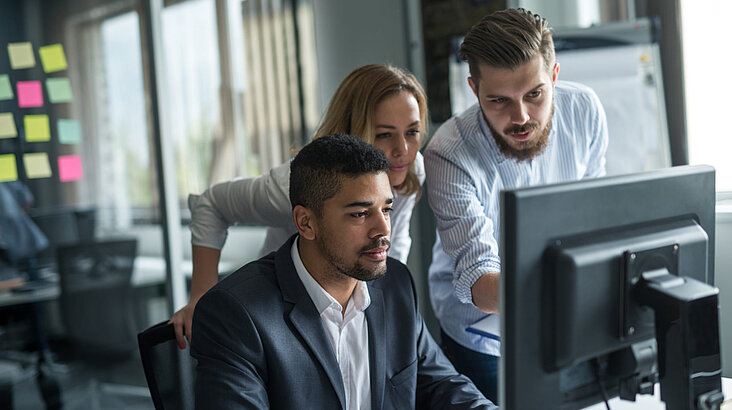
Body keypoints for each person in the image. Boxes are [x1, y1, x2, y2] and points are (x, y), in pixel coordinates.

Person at [191, 134, 495, 409]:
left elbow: (442, 385)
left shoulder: (395, 284)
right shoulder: (236, 314)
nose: (383, 230)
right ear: (306, 222)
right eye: (360, 214)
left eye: (386, 209)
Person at [171, 64, 428, 349]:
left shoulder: (409, 168)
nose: (402, 150)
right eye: (384, 134)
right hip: (279, 312)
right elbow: (212, 204)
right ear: (356, 130)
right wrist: (201, 298)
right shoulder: (295, 184)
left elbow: (394, 248)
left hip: (346, 308)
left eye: (412, 132)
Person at [424, 8, 609, 403]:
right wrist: (581, 283)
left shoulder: (585, 110)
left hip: (568, 317)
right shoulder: (448, 154)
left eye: (535, 94)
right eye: (499, 100)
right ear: (474, 90)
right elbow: (479, 281)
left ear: (554, 75)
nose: (521, 116)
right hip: (483, 333)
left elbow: (594, 216)